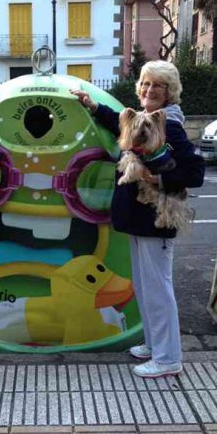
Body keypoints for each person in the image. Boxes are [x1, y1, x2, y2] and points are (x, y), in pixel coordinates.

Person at [71, 61, 205, 379]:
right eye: (145, 83)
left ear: (169, 91)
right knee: (145, 287)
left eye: (157, 85)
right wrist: (94, 106)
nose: (148, 90)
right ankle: (154, 344)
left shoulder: (168, 124)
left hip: (154, 219)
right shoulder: (148, 121)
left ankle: (168, 357)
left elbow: (195, 172)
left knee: (157, 288)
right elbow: (124, 127)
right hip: (140, 219)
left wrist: (157, 180)